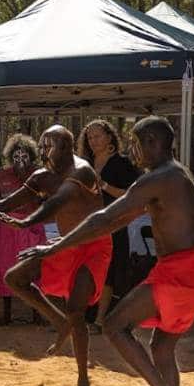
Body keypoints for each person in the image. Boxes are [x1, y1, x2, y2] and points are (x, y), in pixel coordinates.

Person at [19, 117, 194, 386]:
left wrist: (55, 246)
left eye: (136, 143)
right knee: (161, 348)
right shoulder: (175, 173)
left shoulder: (159, 177)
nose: (132, 150)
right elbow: (112, 221)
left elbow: (104, 218)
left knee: (114, 326)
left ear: (153, 142)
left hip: (182, 272)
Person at [0, 125, 108, 386]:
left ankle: (83, 379)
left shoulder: (82, 171)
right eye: (43, 146)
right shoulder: (42, 176)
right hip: (65, 244)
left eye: (51, 145)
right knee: (14, 278)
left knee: (77, 310)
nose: (45, 151)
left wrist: (25, 222)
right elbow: (7, 202)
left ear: (67, 148)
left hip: (92, 244)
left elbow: (56, 203)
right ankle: (58, 322)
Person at [78, 119, 142, 327]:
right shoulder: (83, 163)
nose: (93, 140)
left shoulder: (122, 163)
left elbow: (131, 195)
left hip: (113, 224)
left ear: (109, 137)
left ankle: (99, 319)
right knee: (87, 270)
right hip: (87, 225)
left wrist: (103, 184)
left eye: (97, 136)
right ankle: (84, 315)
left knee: (108, 272)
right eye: (89, 137)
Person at [0, 134, 46, 325]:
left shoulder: (39, 175)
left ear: (31, 155)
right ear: (10, 156)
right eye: (16, 156)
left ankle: (37, 314)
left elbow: (47, 198)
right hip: (6, 230)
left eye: (24, 155)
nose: (20, 159)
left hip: (31, 226)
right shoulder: (3, 175)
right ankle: (7, 315)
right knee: (6, 269)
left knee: (32, 269)